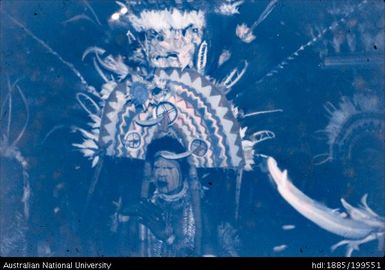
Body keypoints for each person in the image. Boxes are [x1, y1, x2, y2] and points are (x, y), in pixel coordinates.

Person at [124, 140, 202, 256]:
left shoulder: (200, 210)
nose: (161, 173)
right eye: (156, 167)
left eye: (169, 168)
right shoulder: (144, 205)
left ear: (183, 173)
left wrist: (169, 238)